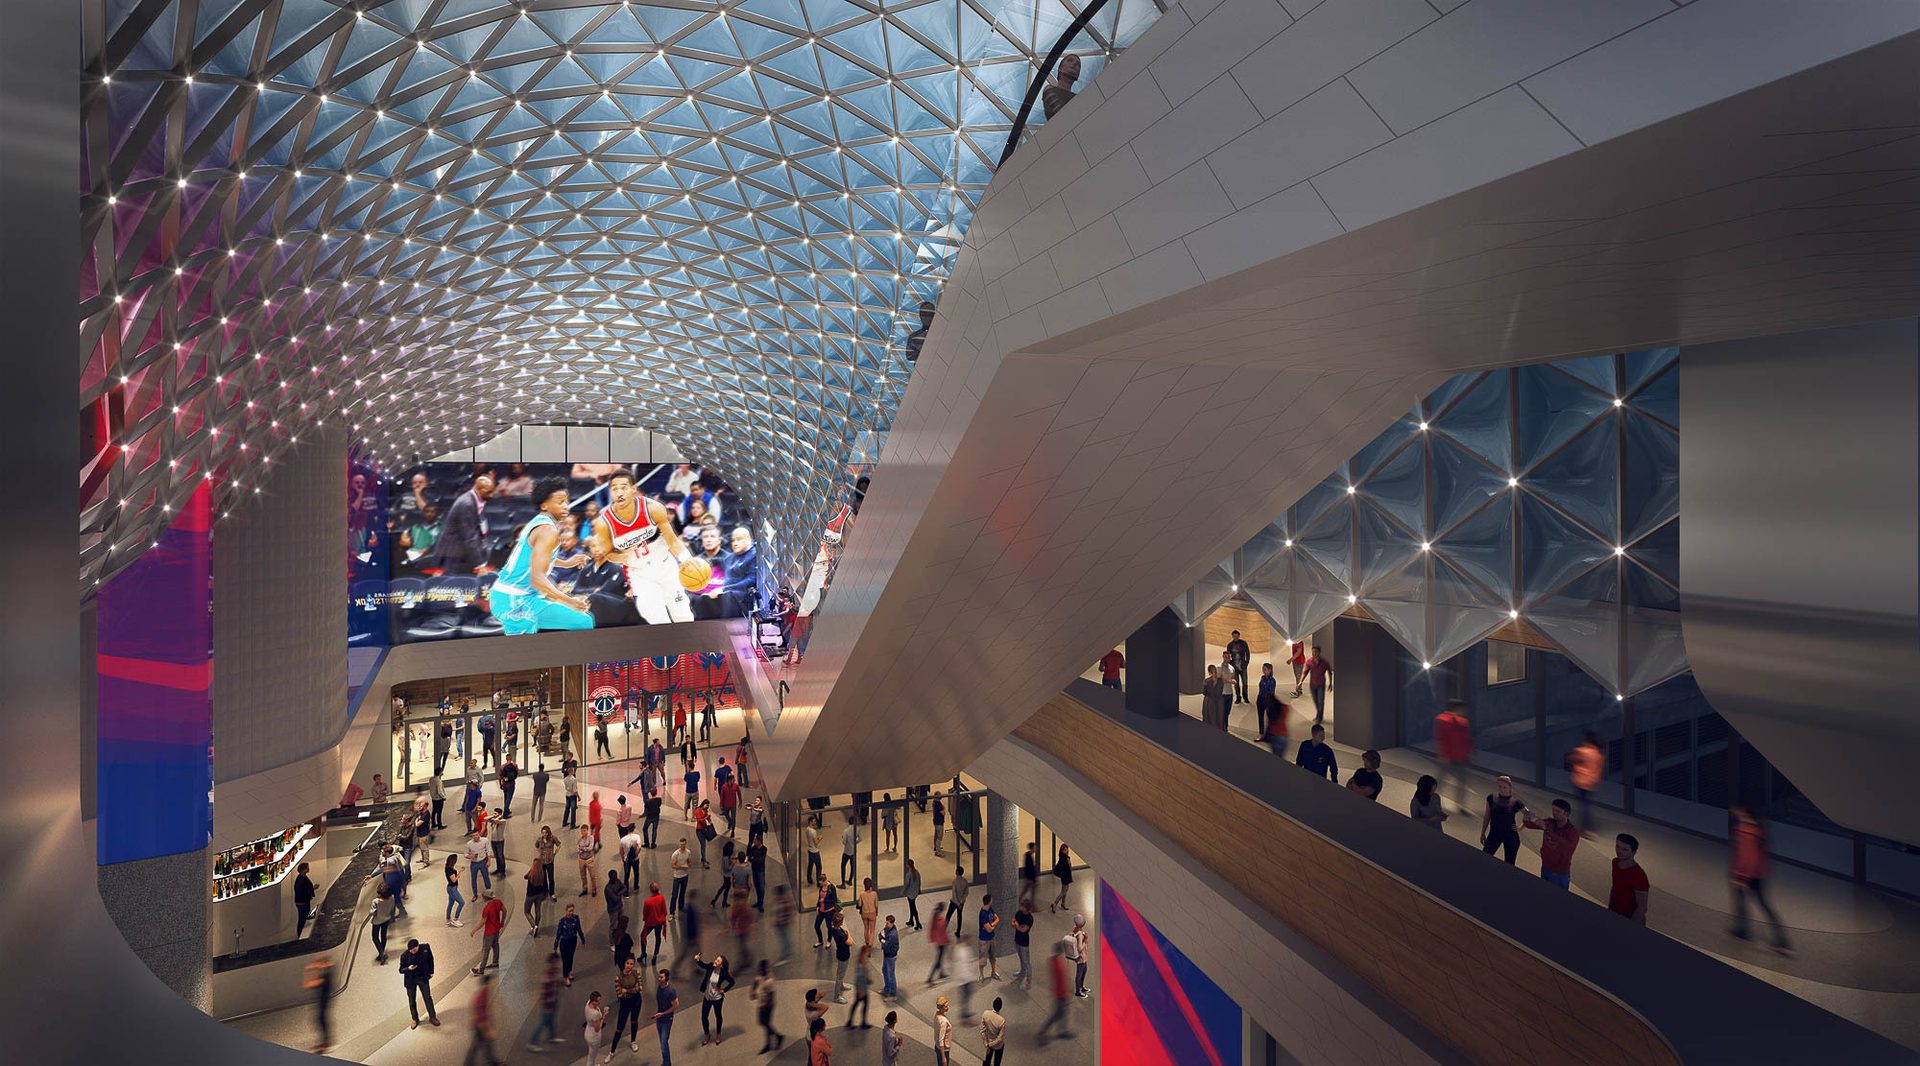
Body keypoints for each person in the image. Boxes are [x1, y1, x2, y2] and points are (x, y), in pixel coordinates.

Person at [589, 467, 698, 624]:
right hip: (640, 574)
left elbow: (673, 541)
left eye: (624, 488)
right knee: (655, 617)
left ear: (633, 489)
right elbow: (608, 554)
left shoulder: (653, 508)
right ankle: (670, 648)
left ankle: (693, 648)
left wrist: (687, 560)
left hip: (665, 567)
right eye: (614, 489)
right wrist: (622, 556)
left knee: (681, 614)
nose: (619, 493)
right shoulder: (603, 523)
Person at [491, 477, 596, 634]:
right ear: (544, 505)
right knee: (583, 621)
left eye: (567, 501)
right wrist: (570, 601)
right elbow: (537, 579)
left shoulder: (538, 522)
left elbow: (535, 560)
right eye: (560, 502)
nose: (566, 506)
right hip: (515, 599)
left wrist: (567, 563)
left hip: (506, 596)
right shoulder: (548, 531)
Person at [1729, 804, 1792, 953]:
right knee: (1757, 904)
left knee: (1748, 903)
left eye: (1738, 810)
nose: (1735, 812)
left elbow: (1748, 857)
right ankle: (1779, 939)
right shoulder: (1759, 830)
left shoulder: (1746, 831)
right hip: (1759, 874)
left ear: (1744, 812)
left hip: (1746, 874)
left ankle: (1777, 940)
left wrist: (1742, 878)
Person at [432, 474, 492, 575]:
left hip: (463, 556)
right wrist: (480, 564)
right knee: (454, 588)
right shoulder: (467, 504)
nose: (491, 495)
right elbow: (469, 536)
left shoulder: (476, 500)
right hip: (454, 557)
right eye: (488, 492)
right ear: (478, 489)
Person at [1523, 798, 1581, 889]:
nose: (1554, 813)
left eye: (1557, 811)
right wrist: (1527, 817)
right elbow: (1529, 825)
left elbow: (1567, 846)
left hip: (1559, 872)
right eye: (1553, 810)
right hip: (1545, 866)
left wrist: (1547, 830)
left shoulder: (1572, 832)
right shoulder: (1550, 822)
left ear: (1566, 814)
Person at [1434, 699, 1473, 812]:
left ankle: (1460, 805)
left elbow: (1467, 739)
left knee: (1461, 781)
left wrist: (1469, 752)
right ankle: (1434, 800)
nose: (1464, 711)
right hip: (1449, 756)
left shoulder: (1463, 721)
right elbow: (1442, 739)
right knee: (1442, 780)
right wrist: (1443, 754)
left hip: (1461, 756)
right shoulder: (1443, 720)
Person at [1480, 775, 1528, 865]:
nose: (1502, 789)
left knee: (1509, 863)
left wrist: (1520, 828)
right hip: (1494, 833)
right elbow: (1487, 817)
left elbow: (1530, 815)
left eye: (1505, 787)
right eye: (1500, 786)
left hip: (1510, 835)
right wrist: (1483, 833)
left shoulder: (1515, 802)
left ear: (1510, 787)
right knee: (1485, 857)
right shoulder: (1491, 798)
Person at [693, 952, 736, 1046]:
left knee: (718, 1016)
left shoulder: (724, 973)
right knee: (704, 1017)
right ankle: (707, 1034)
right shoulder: (710, 966)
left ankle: (718, 1034)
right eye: (716, 959)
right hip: (707, 997)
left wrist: (723, 990)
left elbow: (732, 982)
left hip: (717, 998)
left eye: (718, 961)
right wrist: (697, 960)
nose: (715, 961)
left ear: (722, 965)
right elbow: (702, 965)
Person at [399, 937, 440, 1028]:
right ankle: (415, 1019)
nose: (412, 952)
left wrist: (431, 971)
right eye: (410, 950)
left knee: (427, 997)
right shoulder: (404, 956)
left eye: (414, 950)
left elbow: (430, 959)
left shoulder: (425, 948)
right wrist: (408, 969)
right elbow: (401, 970)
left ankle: (432, 1017)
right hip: (410, 980)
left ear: (417, 946)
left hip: (422, 977)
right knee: (411, 1000)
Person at [1569, 731, 1605, 836]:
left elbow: (1572, 759)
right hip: (1592, 782)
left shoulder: (1582, 751)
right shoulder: (1598, 753)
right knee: (1585, 804)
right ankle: (1586, 828)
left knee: (1584, 806)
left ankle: (1586, 828)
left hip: (1580, 781)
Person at [1036, 943, 1073, 1042]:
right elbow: (1061, 981)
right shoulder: (1059, 965)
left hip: (1057, 993)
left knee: (1061, 1013)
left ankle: (1060, 1031)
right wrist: (1066, 994)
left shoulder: (1052, 961)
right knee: (1058, 1014)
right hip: (1061, 995)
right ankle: (1048, 1030)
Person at [1610, 833, 1650, 924]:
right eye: (1617, 846)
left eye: (1624, 849)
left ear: (1633, 852)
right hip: (1615, 913)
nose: (1619, 851)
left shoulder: (1639, 875)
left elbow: (1642, 907)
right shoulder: (1615, 862)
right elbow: (1615, 888)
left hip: (1630, 918)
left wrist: (1630, 927)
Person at [528, 949, 563, 1051]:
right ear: (552, 962)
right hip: (548, 1003)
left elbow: (555, 983)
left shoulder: (554, 971)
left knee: (551, 1020)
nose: (558, 963)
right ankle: (532, 1043)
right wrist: (547, 1006)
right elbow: (545, 993)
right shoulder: (547, 975)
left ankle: (552, 1037)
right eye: (557, 962)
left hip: (554, 1000)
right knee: (542, 1023)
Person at [467, 971, 503, 1065]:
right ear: (486, 983)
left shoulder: (484, 993)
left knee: (478, 1045)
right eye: (490, 982)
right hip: (480, 1026)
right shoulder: (481, 996)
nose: (492, 984)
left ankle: (469, 1063)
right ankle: (492, 1062)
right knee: (485, 1044)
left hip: (479, 1025)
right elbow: (480, 1016)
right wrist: (487, 1030)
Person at [750, 958, 784, 1052]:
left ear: (765, 969)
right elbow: (755, 985)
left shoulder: (770, 980)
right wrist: (753, 991)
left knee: (766, 1024)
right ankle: (774, 1039)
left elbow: (771, 996)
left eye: (761, 969)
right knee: (764, 1024)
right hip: (761, 1004)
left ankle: (773, 1040)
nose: (760, 971)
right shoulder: (760, 976)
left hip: (767, 1006)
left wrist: (766, 1005)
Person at [613, 958, 647, 1053]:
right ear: (624, 964)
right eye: (627, 963)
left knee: (634, 1021)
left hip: (636, 1001)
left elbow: (639, 988)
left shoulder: (636, 973)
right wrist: (633, 989)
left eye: (631, 964)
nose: (629, 966)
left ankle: (633, 1041)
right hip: (625, 1003)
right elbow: (620, 994)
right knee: (620, 1026)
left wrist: (627, 990)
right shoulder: (618, 977)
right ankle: (612, 1050)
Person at [470, 889, 506, 974]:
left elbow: (483, 921)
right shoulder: (498, 902)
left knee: (485, 950)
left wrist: (474, 930)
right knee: (495, 945)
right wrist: (502, 921)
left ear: (485, 898)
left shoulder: (487, 908)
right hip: (497, 929)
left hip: (489, 932)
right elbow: (505, 910)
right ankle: (495, 962)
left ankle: (481, 969)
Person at [305, 954, 335, 1053]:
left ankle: (327, 1043)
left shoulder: (326, 975)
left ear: (323, 963)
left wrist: (309, 970)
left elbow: (308, 985)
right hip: (324, 999)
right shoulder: (329, 970)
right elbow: (331, 963)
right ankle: (326, 1041)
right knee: (322, 1019)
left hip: (324, 1000)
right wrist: (318, 966)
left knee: (322, 1019)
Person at [653, 967, 681, 1065]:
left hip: (666, 1020)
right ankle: (666, 1062)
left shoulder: (670, 991)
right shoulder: (659, 987)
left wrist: (663, 1013)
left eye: (661, 977)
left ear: (666, 978)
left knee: (664, 1043)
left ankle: (667, 1063)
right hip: (659, 1019)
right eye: (659, 977)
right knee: (662, 1042)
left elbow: (676, 1005)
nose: (659, 979)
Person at [1040, 51, 1079, 119]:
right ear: (1060, 69)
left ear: (1078, 75)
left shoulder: (1078, 97)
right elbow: (1063, 116)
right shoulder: (1049, 90)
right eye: (1070, 60)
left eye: (1078, 65)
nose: (1075, 64)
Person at [556, 902, 586, 986]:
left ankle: (569, 971)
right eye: (569, 911)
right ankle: (566, 977)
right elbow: (558, 933)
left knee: (570, 958)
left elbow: (579, 929)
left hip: (573, 941)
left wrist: (583, 940)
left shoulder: (576, 919)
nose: (571, 912)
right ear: (566, 911)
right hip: (564, 942)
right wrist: (555, 944)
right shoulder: (562, 921)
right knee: (565, 960)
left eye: (572, 911)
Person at [1301, 645, 1332, 722]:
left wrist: (1330, 684)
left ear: (1319, 653)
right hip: (1312, 685)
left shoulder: (1325, 662)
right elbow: (1305, 672)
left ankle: (1319, 717)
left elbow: (1329, 673)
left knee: (1321, 701)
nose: (1314, 653)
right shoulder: (1309, 661)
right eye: (1313, 652)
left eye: (1315, 652)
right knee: (1316, 701)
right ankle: (1319, 715)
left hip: (1321, 685)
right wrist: (1300, 682)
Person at [641, 880, 668, 962]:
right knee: (658, 937)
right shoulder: (661, 898)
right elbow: (664, 911)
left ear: (650, 890)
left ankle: (643, 954)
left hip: (650, 922)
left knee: (643, 936)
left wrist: (645, 920)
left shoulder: (647, 901)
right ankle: (655, 955)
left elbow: (645, 914)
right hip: (659, 922)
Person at [846, 944, 873, 1028]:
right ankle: (861, 1022)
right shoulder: (860, 965)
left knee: (858, 1004)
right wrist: (860, 990)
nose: (868, 954)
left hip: (863, 987)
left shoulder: (863, 962)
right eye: (867, 952)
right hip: (862, 989)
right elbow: (859, 978)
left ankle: (852, 1021)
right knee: (861, 1004)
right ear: (863, 953)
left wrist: (868, 980)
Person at [1011, 899, 1035, 988]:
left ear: (1026, 908)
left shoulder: (1029, 918)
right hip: (1017, 939)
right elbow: (1013, 923)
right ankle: (1022, 972)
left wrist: (1017, 925)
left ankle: (1028, 981)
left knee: (1026, 961)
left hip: (1024, 942)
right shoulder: (1019, 913)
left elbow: (1023, 930)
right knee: (1021, 958)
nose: (1020, 907)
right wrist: (1017, 925)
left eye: (1022, 906)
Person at [524, 852, 550, 933]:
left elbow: (525, 877)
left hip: (530, 895)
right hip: (539, 894)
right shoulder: (542, 873)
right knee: (538, 910)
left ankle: (534, 925)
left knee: (527, 911)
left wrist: (530, 870)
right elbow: (545, 884)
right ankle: (537, 925)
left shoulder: (531, 874)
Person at [830, 912, 853, 1002]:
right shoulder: (839, 934)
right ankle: (837, 996)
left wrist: (847, 934)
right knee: (840, 975)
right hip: (843, 955)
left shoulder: (836, 929)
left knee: (841, 973)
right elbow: (850, 942)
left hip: (841, 953)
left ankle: (841, 986)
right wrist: (849, 935)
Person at [977, 894, 1002, 979]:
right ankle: (981, 975)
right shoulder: (983, 914)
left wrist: (992, 924)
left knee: (993, 956)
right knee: (982, 958)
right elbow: (989, 930)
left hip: (992, 938)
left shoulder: (990, 909)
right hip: (984, 940)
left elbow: (997, 918)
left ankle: (993, 972)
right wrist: (992, 925)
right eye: (991, 899)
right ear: (989, 901)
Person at [369, 885, 395, 963]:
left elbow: (372, 912)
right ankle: (382, 952)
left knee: (375, 937)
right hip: (386, 919)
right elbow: (392, 907)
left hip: (377, 921)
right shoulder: (392, 898)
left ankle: (381, 953)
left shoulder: (376, 901)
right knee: (383, 936)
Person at [583, 991, 610, 1066]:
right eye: (598, 1001)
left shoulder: (588, 1003)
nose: (600, 1002)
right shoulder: (595, 1014)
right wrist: (604, 1016)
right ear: (593, 1001)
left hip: (588, 1031)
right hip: (594, 1036)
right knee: (592, 1056)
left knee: (591, 1054)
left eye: (600, 999)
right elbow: (597, 1029)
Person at [925, 902, 950, 983]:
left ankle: (941, 973)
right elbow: (944, 933)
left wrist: (932, 938)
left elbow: (931, 928)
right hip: (942, 942)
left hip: (937, 941)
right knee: (938, 960)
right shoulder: (941, 920)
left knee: (940, 957)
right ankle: (930, 978)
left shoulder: (934, 917)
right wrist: (948, 941)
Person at [1226, 630, 1252, 704]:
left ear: (1239, 636)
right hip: (1235, 667)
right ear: (1232, 636)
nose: (1235, 637)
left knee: (1245, 683)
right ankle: (1238, 697)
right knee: (1236, 683)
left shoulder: (1243, 643)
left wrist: (1247, 662)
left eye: (1237, 636)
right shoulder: (1230, 645)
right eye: (1234, 636)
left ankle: (1245, 697)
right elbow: (1228, 656)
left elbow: (1247, 653)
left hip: (1243, 666)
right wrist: (1230, 664)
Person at [1068, 912, 1091, 997]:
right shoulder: (1080, 935)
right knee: (1080, 974)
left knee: (1084, 971)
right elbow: (1080, 948)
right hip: (1081, 958)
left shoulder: (1075, 930)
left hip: (1083, 958)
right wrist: (1085, 940)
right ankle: (1078, 991)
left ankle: (1081, 986)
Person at [878, 913, 901, 997]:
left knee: (891, 974)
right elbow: (880, 935)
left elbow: (886, 945)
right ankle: (887, 989)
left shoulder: (893, 934)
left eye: (887, 923)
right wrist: (883, 939)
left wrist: (883, 940)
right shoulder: (887, 928)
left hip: (890, 956)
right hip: (886, 955)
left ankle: (893, 994)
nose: (886, 924)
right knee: (885, 970)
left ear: (892, 923)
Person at [1200, 663, 1228, 730]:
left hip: (1210, 702)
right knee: (1219, 718)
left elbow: (1204, 692)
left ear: (1209, 672)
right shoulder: (1221, 681)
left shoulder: (1206, 681)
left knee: (1210, 719)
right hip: (1219, 702)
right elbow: (1220, 691)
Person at [981, 996, 1007, 1066]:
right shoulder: (1001, 1021)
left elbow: (982, 1031)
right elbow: (1000, 1038)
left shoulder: (985, 1013)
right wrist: (991, 1044)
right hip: (998, 1046)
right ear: (1000, 1007)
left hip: (988, 1041)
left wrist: (987, 1044)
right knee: (997, 1062)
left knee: (987, 1060)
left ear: (993, 1004)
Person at [464, 829, 492, 896]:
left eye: (476, 835)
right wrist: (471, 856)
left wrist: (489, 861)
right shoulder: (469, 844)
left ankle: (489, 892)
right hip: (474, 863)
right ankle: (475, 894)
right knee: (473, 879)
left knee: (486, 877)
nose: (475, 837)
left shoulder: (485, 840)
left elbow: (489, 851)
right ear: (472, 836)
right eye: (473, 836)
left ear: (479, 834)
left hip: (483, 862)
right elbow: (465, 854)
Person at [773, 881, 796, 962]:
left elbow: (782, 912)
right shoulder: (786, 900)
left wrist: (779, 920)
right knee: (785, 937)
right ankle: (787, 951)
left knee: (785, 938)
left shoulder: (783, 902)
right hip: (783, 922)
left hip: (782, 923)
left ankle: (786, 953)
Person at [293, 862, 316, 938]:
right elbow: (301, 892)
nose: (308, 869)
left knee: (303, 918)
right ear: (304, 870)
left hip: (304, 901)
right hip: (302, 903)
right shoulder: (300, 881)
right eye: (307, 868)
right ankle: (300, 934)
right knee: (302, 919)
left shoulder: (302, 878)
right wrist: (313, 889)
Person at [620, 822, 644, 893]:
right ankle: (635, 887)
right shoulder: (637, 837)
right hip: (635, 859)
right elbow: (639, 847)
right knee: (636, 873)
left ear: (627, 829)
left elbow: (621, 851)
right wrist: (636, 854)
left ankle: (626, 890)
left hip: (626, 859)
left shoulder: (623, 839)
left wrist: (622, 858)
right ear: (633, 829)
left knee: (626, 874)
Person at [670, 837, 692, 914]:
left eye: (684, 844)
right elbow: (673, 865)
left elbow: (689, 862)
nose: (682, 846)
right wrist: (682, 866)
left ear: (686, 844)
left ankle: (681, 907)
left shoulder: (688, 852)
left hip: (685, 876)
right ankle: (672, 912)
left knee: (682, 893)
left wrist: (688, 865)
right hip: (677, 876)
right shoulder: (675, 854)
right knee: (674, 895)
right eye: (681, 844)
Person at [443, 853, 466, 926]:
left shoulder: (447, 868)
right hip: (452, 889)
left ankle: (448, 919)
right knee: (462, 902)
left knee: (450, 904)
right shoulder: (451, 871)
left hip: (450, 888)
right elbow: (454, 880)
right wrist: (460, 872)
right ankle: (456, 919)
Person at [1050, 844, 1073, 914]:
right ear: (1062, 850)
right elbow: (1064, 867)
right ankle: (1054, 904)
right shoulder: (1063, 858)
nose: (1066, 851)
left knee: (1065, 890)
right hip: (1065, 877)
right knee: (1063, 892)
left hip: (1067, 876)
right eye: (1064, 850)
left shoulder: (1066, 857)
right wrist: (1068, 863)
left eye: (1066, 849)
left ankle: (1063, 903)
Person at [857, 877, 880, 948]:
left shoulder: (861, 894)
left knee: (866, 928)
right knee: (872, 931)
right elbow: (876, 905)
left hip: (864, 913)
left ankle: (866, 943)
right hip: (872, 913)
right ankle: (870, 945)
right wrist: (876, 912)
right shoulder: (874, 894)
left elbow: (860, 904)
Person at [577, 824, 599, 898]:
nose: (583, 832)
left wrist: (583, 848)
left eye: (584, 831)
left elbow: (590, 847)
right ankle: (585, 889)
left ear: (587, 830)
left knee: (592, 875)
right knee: (583, 876)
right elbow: (578, 849)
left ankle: (594, 889)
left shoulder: (591, 838)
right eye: (582, 831)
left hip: (589, 859)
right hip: (581, 859)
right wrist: (582, 849)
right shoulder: (580, 840)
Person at [839, 815, 860, 888]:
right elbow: (860, 838)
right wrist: (855, 842)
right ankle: (850, 880)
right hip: (854, 850)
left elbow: (844, 842)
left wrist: (843, 839)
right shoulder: (857, 829)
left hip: (847, 851)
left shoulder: (846, 831)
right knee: (852, 865)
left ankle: (843, 883)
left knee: (843, 865)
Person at [933, 994, 955, 1066]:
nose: (948, 1007)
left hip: (937, 1046)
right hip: (943, 1049)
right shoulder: (943, 1022)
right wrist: (944, 1057)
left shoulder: (937, 1015)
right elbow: (941, 1039)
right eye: (946, 1006)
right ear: (941, 1008)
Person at [1018, 841, 1039, 910]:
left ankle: (1018, 900)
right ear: (1032, 848)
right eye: (1035, 848)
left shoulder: (1027, 856)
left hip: (1028, 878)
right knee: (1032, 893)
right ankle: (1033, 907)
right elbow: (1030, 869)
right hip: (1030, 879)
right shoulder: (1029, 857)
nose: (1036, 849)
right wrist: (1034, 879)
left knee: (1025, 890)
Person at [903, 858, 923, 929]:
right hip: (915, 893)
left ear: (908, 865)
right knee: (912, 907)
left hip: (910, 893)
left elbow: (906, 884)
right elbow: (919, 881)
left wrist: (903, 891)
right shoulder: (917, 872)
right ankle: (911, 920)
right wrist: (919, 890)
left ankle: (918, 923)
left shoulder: (908, 874)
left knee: (913, 908)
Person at [488, 805, 507, 876]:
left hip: (499, 841)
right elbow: (485, 819)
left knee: (500, 856)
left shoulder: (503, 821)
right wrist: (493, 816)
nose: (494, 815)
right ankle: (498, 869)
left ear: (499, 814)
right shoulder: (493, 821)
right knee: (496, 856)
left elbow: (497, 821)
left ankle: (502, 870)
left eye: (495, 813)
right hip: (493, 841)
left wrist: (498, 817)